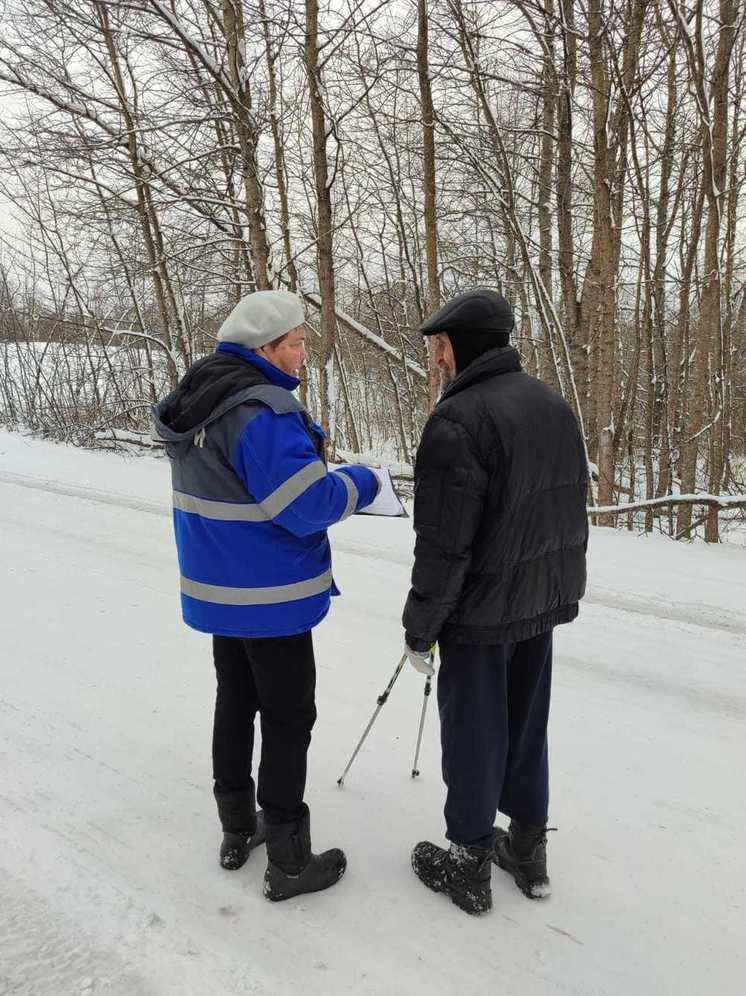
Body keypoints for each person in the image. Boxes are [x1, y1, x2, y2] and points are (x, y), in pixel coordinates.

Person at [153, 290, 380, 902]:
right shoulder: (262, 411)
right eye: (298, 343)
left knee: (235, 701)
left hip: (222, 591)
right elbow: (307, 505)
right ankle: (288, 859)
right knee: (287, 718)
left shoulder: (201, 395)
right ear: (266, 348)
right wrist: (362, 481)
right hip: (271, 597)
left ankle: (236, 830)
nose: (306, 354)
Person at [402, 288, 588, 915]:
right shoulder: (552, 404)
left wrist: (420, 627)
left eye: (439, 347)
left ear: (457, 347)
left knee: (475, 730)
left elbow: (442, 544)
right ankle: (528, 850)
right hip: (539, 600)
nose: (436, 359)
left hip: (481, 610)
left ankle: (469, 860)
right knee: (527, 721)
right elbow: (567, 507)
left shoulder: (457, 422)